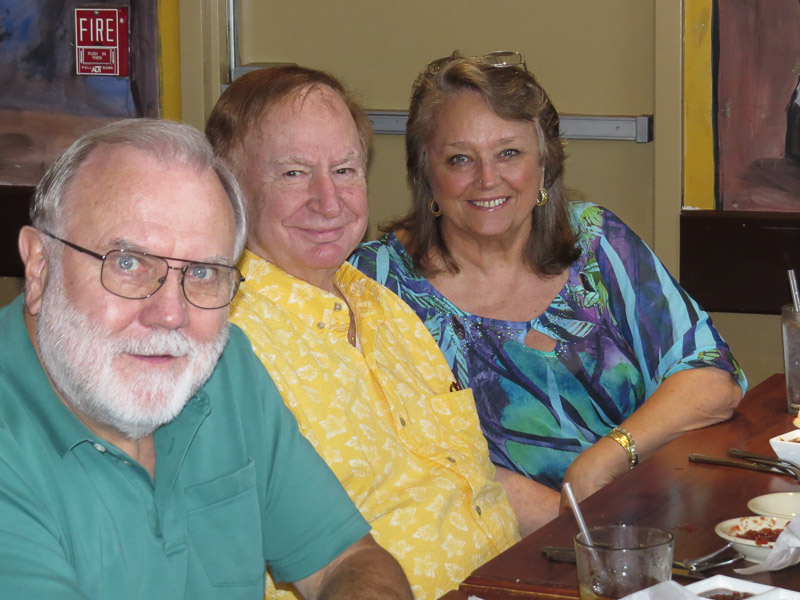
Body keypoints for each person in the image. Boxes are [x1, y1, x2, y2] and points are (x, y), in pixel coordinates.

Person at [0, 118, 413, 600]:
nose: (171, 315)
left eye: (202, 272)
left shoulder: (222, 367)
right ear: (39, 267)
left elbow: (349, 559)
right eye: (128, 264)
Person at [349, 51, 748, 534]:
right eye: (459, 158)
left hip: (652, 521)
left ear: (544, 164)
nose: (487, 178)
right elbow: (408, 459)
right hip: (496, 547)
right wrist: (584, 528)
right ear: (424, 172)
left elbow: (710, 379)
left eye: (509, 153)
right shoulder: (375, 284)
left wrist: (603, 460)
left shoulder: (596, 241)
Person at [206, 65, 520, 600]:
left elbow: (465, 481)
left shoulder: (381, 301)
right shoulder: (222, 341)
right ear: (229, 187)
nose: (329, 202)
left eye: (346, 170)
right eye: (293, 174)